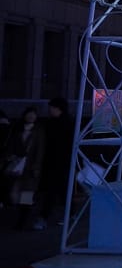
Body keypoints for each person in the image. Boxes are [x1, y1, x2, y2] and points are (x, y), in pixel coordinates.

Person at [33, 97, 76, 230]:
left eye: (51, 107)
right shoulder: (62, 122)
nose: (49, 110)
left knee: (52, 190)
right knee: (61, 190)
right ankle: (69, 213)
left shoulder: (59, 124)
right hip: (59, 162)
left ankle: (44, 217)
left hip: (58, 162)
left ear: (57, 108)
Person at [2, 106, 46, 229]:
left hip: (30, 167)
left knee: (26, 194)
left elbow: (40, 149)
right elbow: (11, 146)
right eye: (29, 114)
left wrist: (36, 166)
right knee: (14, 193)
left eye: (33, 114)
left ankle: (23, 220)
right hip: (18, 165)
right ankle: (22, 215)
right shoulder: (18, 129)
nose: (31, 116)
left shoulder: (38, 131)